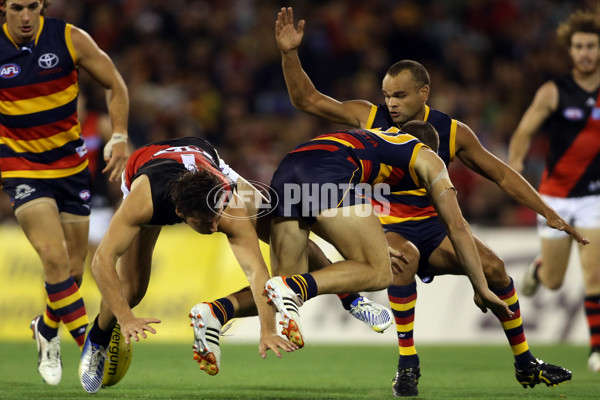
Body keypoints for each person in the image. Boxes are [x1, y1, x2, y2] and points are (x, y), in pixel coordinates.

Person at [275, 7, 588, 396]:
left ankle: (525, 362)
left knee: (494, 268)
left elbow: (502, 174)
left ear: (424, 92)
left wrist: (548, 212)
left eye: (400, 95)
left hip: (435, 229)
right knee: (401, 260)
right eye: (387, 95)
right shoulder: (368, 117)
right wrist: (290, 54)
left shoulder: (453, 132)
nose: (391, 104)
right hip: (387, 228)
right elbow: (306, 99)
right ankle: (408, 364)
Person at [263, 125, 512, 354]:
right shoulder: (428, 157)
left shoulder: (379, 141)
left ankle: (224, 312)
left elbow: (337, 222)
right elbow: (458, 228)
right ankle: (297, 289)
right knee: (380, 272)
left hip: (290, 165)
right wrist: (481, 287)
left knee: (286, 279)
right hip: (328, 169)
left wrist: (375, 244)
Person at [78, 137, 298, 394]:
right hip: (148, 164)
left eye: (216, 219)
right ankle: (98, 338)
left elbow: (256, 270)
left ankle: (342, 287)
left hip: (203, 156)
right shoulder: (144, 202)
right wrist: (125, 318)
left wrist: (268, 328)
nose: (215, 228)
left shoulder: (228, 202)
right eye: (207, 223)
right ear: (181, 215)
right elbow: (101, 261)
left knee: (280, 226)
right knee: (132, 291)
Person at [0, 0, 129, 386]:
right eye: (18, 7)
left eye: (33, 7)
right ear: (2, 6)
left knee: (72, 272)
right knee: (54, 260)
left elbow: (115, 84)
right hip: (22, 167)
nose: (26, 16)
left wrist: (119, 136)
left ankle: (45, 329)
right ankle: (90, 349)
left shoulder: (70, 38)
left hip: (71, 170)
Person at [508, 9, 600, 373]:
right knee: (555, 280)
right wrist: (514, 163)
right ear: (570, 50)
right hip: (555, 197)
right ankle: (540, 268)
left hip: (594, 197)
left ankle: (596, 350)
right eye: (578, 46)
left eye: (591, 45)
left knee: (594, 274)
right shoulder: (553, 91)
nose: (585, 53)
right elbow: (523, 131)